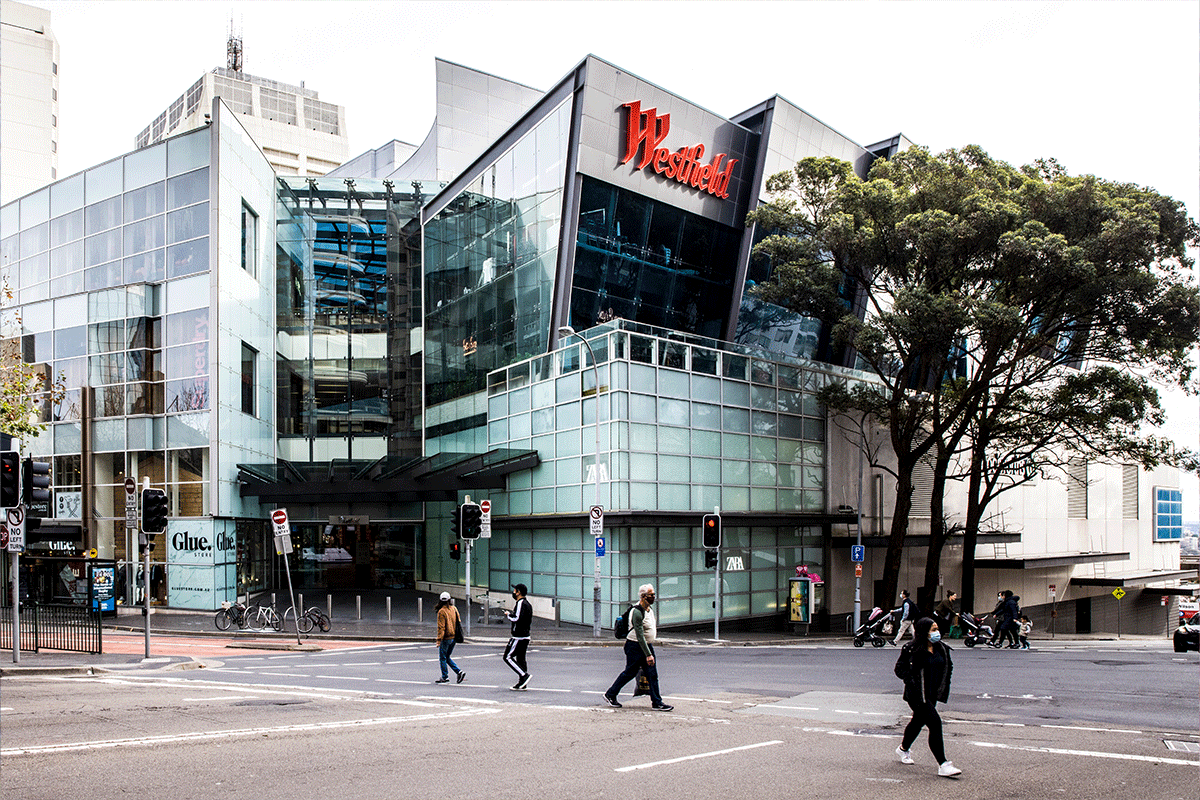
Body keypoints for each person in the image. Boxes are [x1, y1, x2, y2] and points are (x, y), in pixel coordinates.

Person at [895, 617, 961, 778]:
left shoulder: (942, 648)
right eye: (933, 630)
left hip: (932, 694)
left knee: (917, 722)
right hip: (917, 695)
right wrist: (910, 680)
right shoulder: (911, 648)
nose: (936, 632)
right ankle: (943, 764)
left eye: (937, 629)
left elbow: (948, 667)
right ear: (923, 632)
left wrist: (943, 686)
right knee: (935, 724)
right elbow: (899, 669)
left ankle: (903, 749)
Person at [603, 584, 673, 711]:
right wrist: (648, 654)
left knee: (652, 674)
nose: (653, 597)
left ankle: (657, 702)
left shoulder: (648, 609)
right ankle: (610, 694)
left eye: (654, 594)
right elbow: (640, 636)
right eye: (651, 595)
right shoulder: (637, 612)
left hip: (645, 645)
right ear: (643, 596)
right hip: (635, 646)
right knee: (630, 673)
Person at [503, 583, 533, 690]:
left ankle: (524, 676)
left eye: (515, 590)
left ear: (519, 592)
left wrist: (508, 615)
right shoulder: (528, 604)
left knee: (507, 657)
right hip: (525, 636)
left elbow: (517, 618)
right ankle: (522, 683)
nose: (513, 592)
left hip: (519, 636)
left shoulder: (521, 603)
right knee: (521, 659)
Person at [434, 591, 466, 684]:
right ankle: (459, 672)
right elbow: (458, 621)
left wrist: (439, 640)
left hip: (446, 638)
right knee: (447, 657)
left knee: (443, 658)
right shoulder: (454, 608)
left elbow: (441, 628)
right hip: (454, 637)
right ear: (449, 600)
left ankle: (445, 676)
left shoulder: (441, 612)